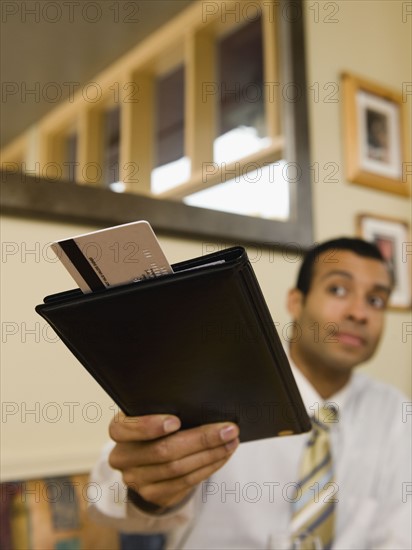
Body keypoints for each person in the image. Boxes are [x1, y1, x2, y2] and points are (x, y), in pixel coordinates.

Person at [89, 237, 411, 549]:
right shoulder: (208, 382)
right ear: (295, 302)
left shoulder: (394, 412)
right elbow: (107, 502)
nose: (359, 313)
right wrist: (145, 492)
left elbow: (399, 532)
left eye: (376, 300)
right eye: (338, 290)